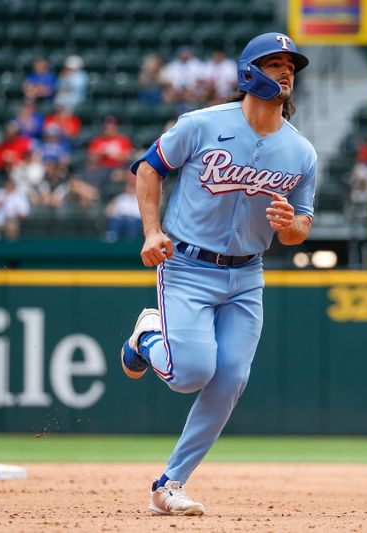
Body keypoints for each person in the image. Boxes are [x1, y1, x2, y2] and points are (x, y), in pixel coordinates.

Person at [122, 32, 316, 516]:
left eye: (290, 64)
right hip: (187, 265)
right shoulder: (202, 125)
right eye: (274, 63)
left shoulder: (301, 153)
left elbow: (301, 229)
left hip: (247, 275)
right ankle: (147, 336)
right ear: (250, 72)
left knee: (230, 379)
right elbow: (148, 170)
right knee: (191, 372)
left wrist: (289, 225)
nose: (286, 71)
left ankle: (169, 484)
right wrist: (151, 231)